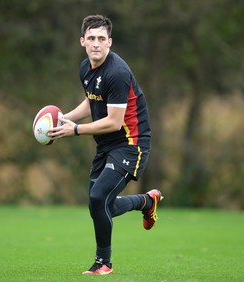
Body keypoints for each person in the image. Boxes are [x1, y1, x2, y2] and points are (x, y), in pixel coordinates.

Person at [47, 14, 163, 275]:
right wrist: (63, 119)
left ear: (110, 42)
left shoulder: (117, 73)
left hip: (131, 144)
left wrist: (74, 130)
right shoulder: (85, 68)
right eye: (91, 38)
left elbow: (113, 121)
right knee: (98, 204)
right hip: (106, 145)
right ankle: (146, 202)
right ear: (82, 41)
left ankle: (104, 262)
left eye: (101, 39)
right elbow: (92, 102)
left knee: (99, 198)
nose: (96, 44)